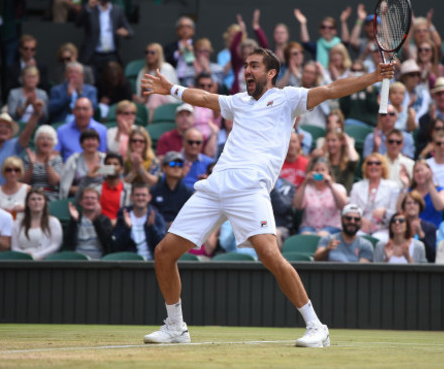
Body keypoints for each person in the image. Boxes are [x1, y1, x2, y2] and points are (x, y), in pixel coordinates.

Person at [140, 46, 395, 347]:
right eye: (246, 65)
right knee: (164, 253)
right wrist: (171, 88)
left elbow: (329, 90)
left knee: (270, 256)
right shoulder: (238, 102)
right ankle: (175, 326)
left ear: (271, 72)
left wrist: (374, 77)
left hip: (250, 190)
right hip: (215, 186)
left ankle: (317, 327)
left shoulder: (287, 98)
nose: (248, 70)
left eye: (255, 66)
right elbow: (205, 98)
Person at [76, 0, 134, 82]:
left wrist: (126, 33)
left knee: (111, 81)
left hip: (111, 55)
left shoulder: (117, 10)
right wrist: (88, 8)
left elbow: (130, 31)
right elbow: (78, 23)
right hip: (93, 55)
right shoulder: (91, 8)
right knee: (92, 82)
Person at [350, 153, 400, 241]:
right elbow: (351, 210)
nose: (373, 166)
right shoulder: (357, 186)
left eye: (377, 163)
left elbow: (396, 213)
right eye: (370, 163)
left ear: (383, 167)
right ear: (366, 167)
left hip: (383, 229)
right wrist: (360, 219)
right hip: (361, 228)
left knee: (378, 239)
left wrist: (385, 211)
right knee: (356, 239)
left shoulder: (392, 187)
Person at [294, 157, 348, 237]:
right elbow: (298, 206)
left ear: (328, 173)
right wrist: (305, 182)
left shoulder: (338, 188)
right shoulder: (307, 188)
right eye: (317, 170)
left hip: (332, 227)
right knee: (306, 236)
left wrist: (330, 185)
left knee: (321, 235)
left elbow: (343, 206)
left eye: (323, 170)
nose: (320, 173)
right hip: (309, 228)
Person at [113, 183, 167, 261]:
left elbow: (162, 247)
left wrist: (151, 227)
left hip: (152, 262)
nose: (140, 198)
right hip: (130, 262)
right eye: (137, 195)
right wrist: (127, 228)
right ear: (131, 197)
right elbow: (117, 247)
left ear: (149, 197)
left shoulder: (157, 216)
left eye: (143, 195)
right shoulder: (123, 215)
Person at [11, 188, 63, 260]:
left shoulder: (53, 222)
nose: (36, 202)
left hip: (45, 261)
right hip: (22, 261)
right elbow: (14, 247)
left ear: (44, 202)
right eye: (33, 199)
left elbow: (55, 245)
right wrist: (25, 256)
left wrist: (36, 256)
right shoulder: (17, 224)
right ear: (27, 203)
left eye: (39, 199)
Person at [62, 187, 113, 259]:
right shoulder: (77, 219)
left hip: (99, 261)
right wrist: (74, 221)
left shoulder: (104, 220)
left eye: (93, 198)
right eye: (86, 198)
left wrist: (96, 221)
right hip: (77, 260)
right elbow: (68, 242)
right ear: (80, 202)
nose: (89, 200)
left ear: (98, 202)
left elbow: (107, 242)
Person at [149, 151, 194, 226]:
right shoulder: (154, 190)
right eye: (172, 164)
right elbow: (151, 216)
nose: (176, 167)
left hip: (180, 230)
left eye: (179, 164)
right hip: (158, 230)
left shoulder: (188, 192)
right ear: (164, 168)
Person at [135, 42, 179, 119]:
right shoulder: (142, 72)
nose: (149, 55)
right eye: (147, 52)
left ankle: (150, 123)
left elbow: (171, 90)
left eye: (152, 52)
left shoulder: (167, 68)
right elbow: (141, 94)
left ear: (159, 54)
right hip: (149, 102)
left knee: (155, 96)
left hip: (169, 99)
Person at [55, 97, 107, 162]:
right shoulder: (61, 131)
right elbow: (54, 155)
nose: (81, 112)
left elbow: (104, 156)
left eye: (85, 109)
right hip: (69, 169)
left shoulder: (102, 130)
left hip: (95, 170)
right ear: (73, 111)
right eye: (78, 109)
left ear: (92, 112)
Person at [59, 128, 106, 200]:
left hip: (103, 198)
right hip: (80, 199)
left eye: (93, 139)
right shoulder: (73, 160)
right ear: (81, 143)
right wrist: (88, 193)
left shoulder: (105, 159)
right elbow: (65, 187)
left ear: (98, 143)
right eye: (87, 140)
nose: (90, 143)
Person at [400, 159, 444, 229]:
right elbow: (399, 209)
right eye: (416, 171)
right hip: (411, 230)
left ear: (429, 171)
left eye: (422, 170)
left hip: (434, 230)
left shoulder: (440, 190)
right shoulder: (408, 191)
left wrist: (429, 184)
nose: (419, 173)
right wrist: (405, 186)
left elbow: (440, 207)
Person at [23, 125, 64, 202]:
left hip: (51, 197)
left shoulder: (57, 159)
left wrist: (47, 164)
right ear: (36, 141)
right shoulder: (29, 157)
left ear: (53, 143)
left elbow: (54, 182)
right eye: (42, 138)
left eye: (49, 139)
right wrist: (31, 165)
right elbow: (24, 182)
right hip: (32, 196)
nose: (45, 141)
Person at [402, 191, 437, 262]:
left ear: (420, 206)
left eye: (415, 203)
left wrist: (421, 233)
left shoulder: (430, 228)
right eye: (409, 203)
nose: (412, 206)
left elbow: (431, 256)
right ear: (404, 206)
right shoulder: (398, 225)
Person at [98, 153, 130, 224]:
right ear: (104, 168)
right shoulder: (96, 188)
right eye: (108, 164)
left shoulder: (128, 190)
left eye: (115, 164)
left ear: (122, 169)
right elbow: (79, 200)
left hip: (121, 226)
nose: (111, 167)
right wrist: (89, 177)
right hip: (99, 226)